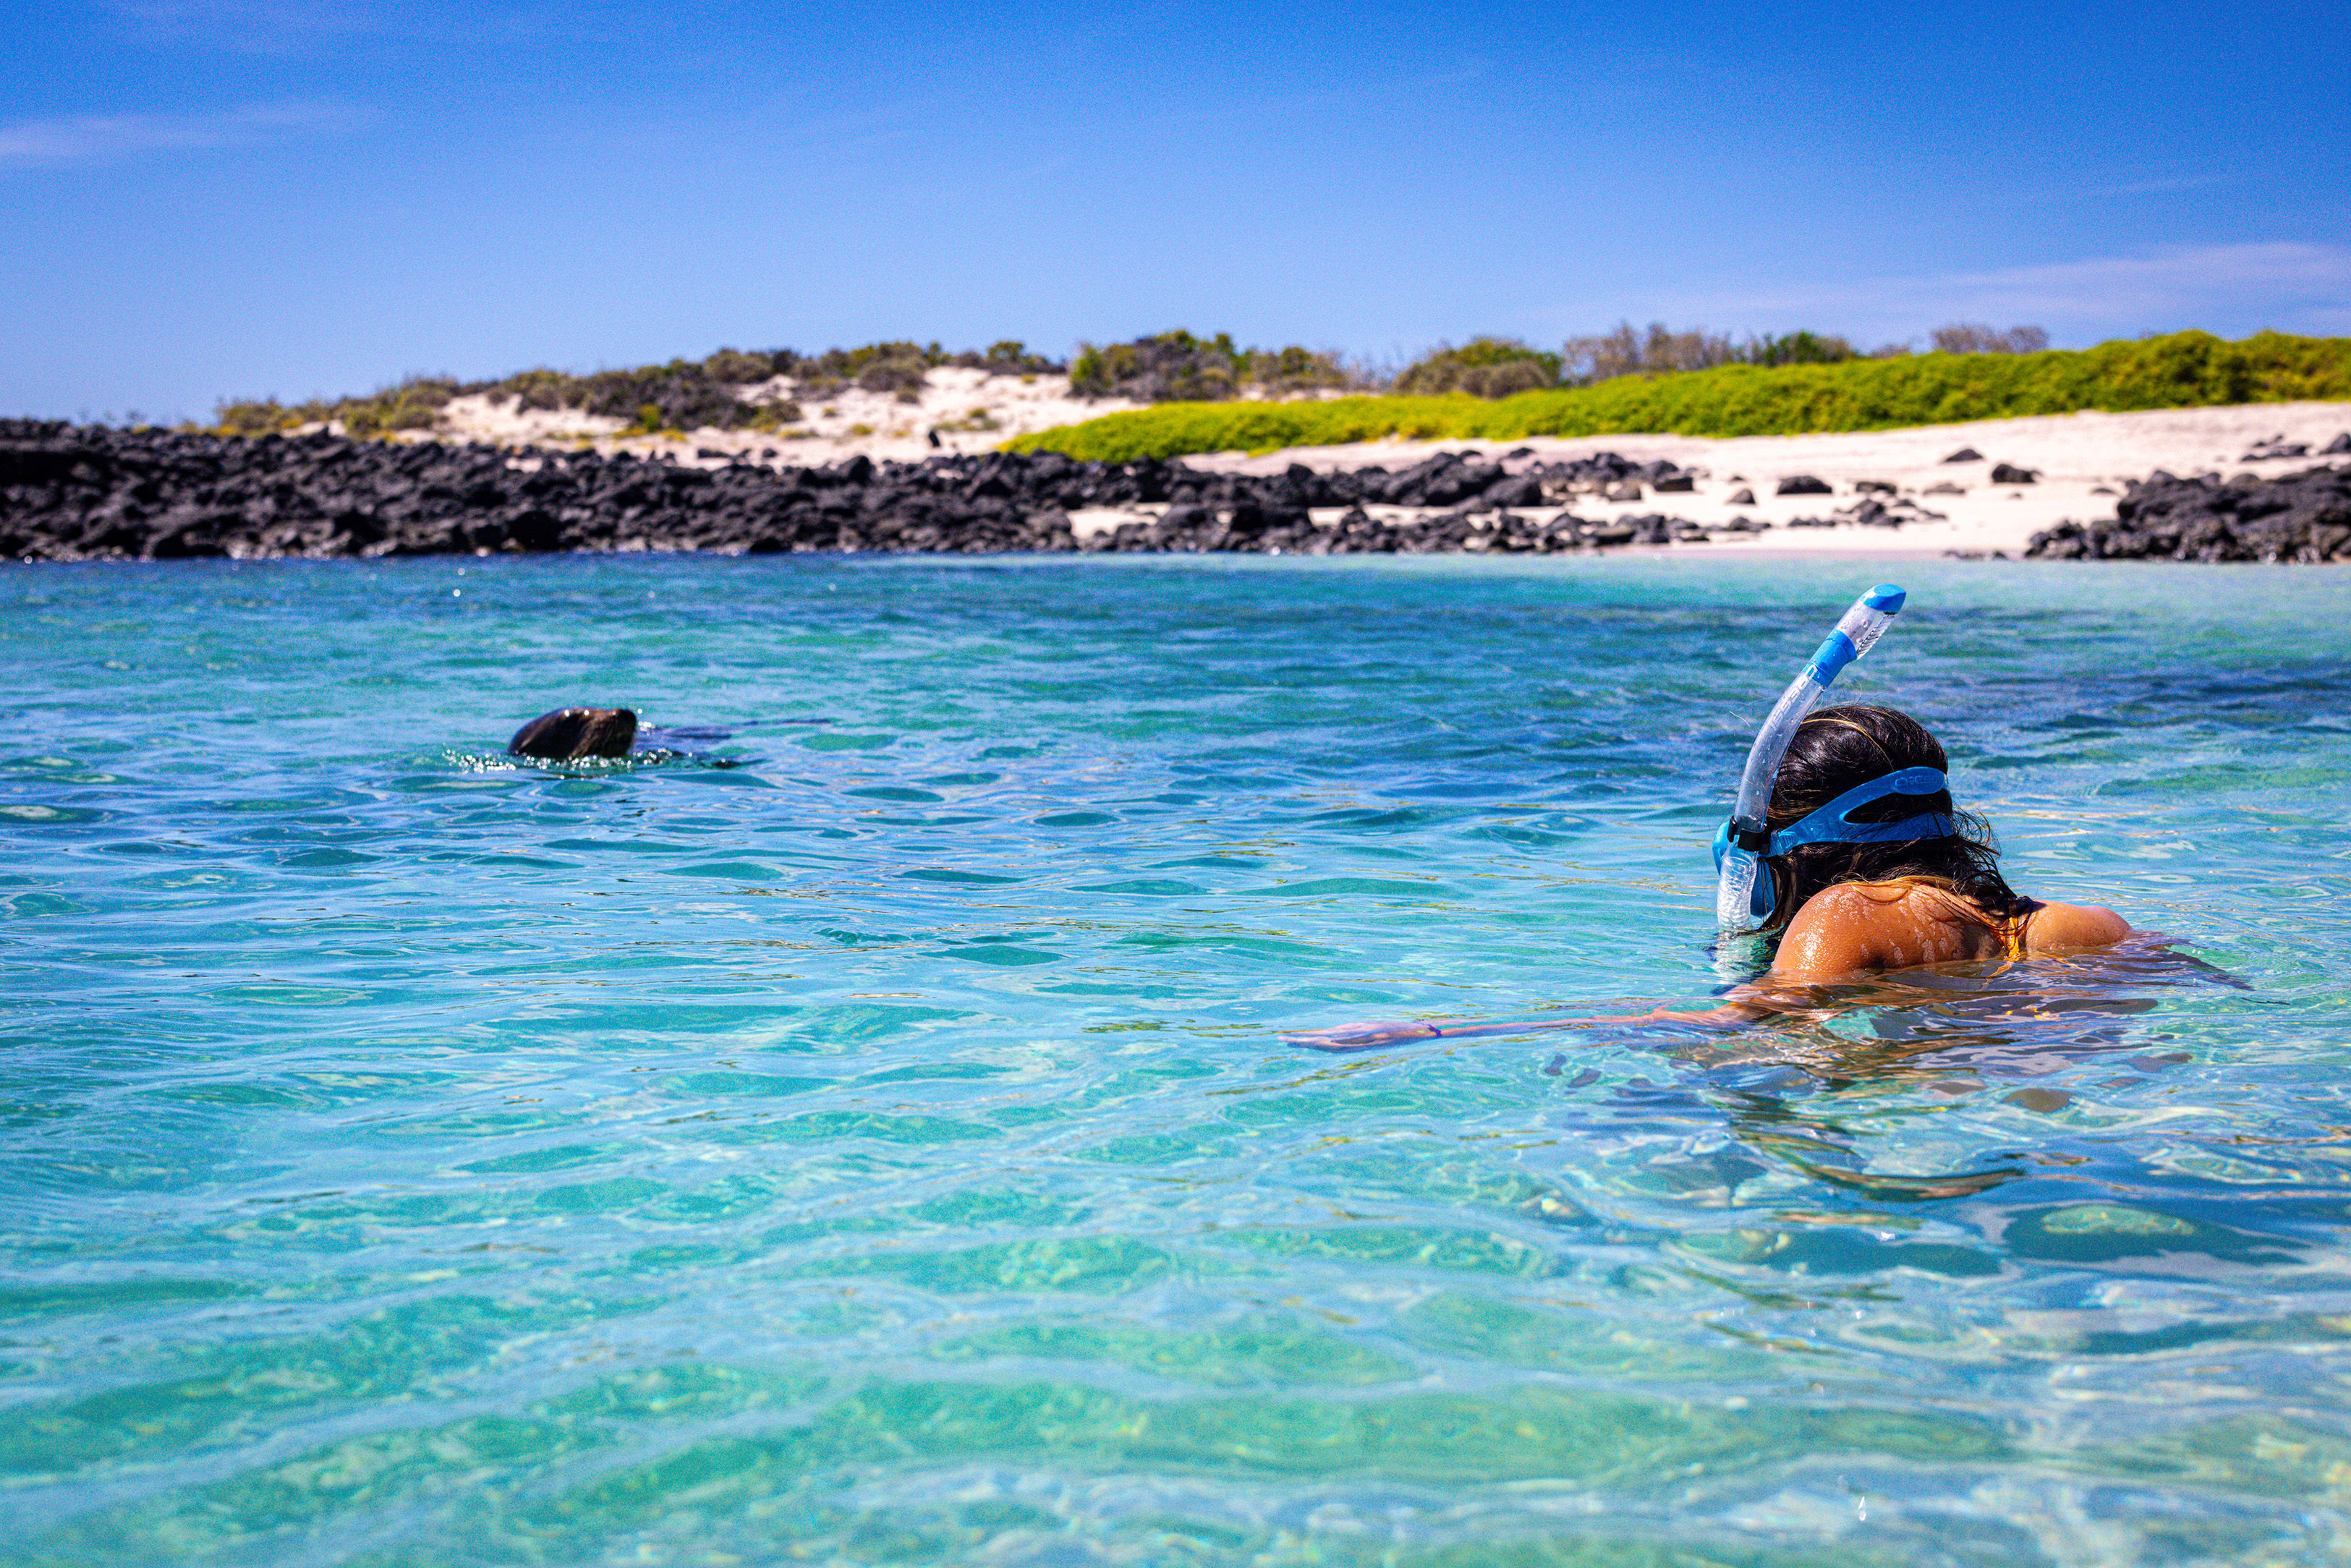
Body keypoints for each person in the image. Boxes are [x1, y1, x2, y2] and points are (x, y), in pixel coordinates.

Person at [1288, 702, 2130, 1051]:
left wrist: (1445, 1033)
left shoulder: (1846, 913)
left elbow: (1728, 1033)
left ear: (1792, 850)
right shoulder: (2075, 925)